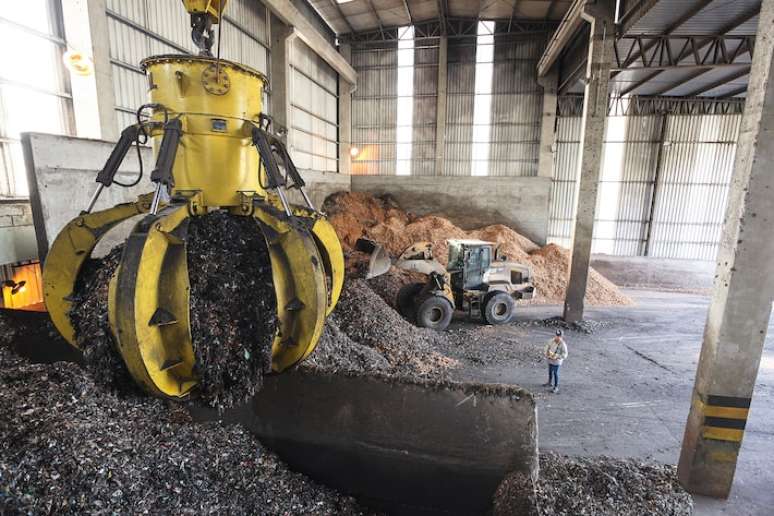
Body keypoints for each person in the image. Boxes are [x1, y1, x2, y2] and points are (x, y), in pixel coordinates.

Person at [543, 329, 568, 394]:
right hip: (550, 359)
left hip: (557, 361)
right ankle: (549, 382)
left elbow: (565, 354)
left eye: (559, 336)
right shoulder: (551, 341)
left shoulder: (563, 344)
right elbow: (546, 347)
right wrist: (546, 353)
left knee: (555, 373)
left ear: (561, 337)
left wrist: (557, 356)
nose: (557, 337)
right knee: (550, 371)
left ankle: (556, 387)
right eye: (557, 335)